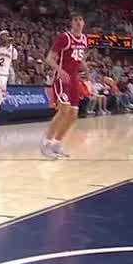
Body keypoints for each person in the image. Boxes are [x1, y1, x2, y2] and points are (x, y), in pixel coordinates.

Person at [42, 14, 88, 159]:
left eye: (80, 19)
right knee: (63, 111)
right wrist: (60, 70)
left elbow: (78, 59)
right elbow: (49, 59)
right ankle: (46, 144)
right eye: (75, 20)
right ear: (71, 23)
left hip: (74, 79)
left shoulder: (85, 39)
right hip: (62, 78)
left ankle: (57, 143)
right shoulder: (64, 38)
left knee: (73, 115)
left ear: (84, 23)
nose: (78, 22)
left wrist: (86, 69)